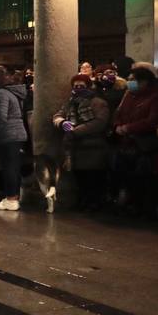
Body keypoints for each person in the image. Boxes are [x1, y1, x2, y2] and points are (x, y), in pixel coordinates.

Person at [111, 62, 158, 218]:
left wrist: (128, 128)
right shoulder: (129, 95)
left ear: (144, 81)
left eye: (133, 79)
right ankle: (132, 204)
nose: (129, 82)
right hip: (127, 144)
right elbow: (119, 113)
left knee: (147, 179)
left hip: (146, 145)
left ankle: (147, 208)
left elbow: (153, 120)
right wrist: (118, 126)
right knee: (128, 177)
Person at [51, 74, 112, 212]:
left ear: (88, 86)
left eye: (81, 86)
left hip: (93, 146)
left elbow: (100, 122)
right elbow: (58, 114)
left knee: (94, 178)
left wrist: (76, 131)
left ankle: (95, 203)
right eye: (75, 86)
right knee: (81, 178)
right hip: (76, 148)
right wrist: (62, 122)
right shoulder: (70, 102)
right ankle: (83, 201)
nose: (78, 88)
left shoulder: (97, 102)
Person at [0, 66, 28, 211]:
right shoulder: (14, 92)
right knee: (14, 167)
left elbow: (0, 116)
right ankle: (13, 197)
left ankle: (11, 199)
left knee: (8, 168)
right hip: (18, 133)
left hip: (7, 134)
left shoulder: (1, 93)